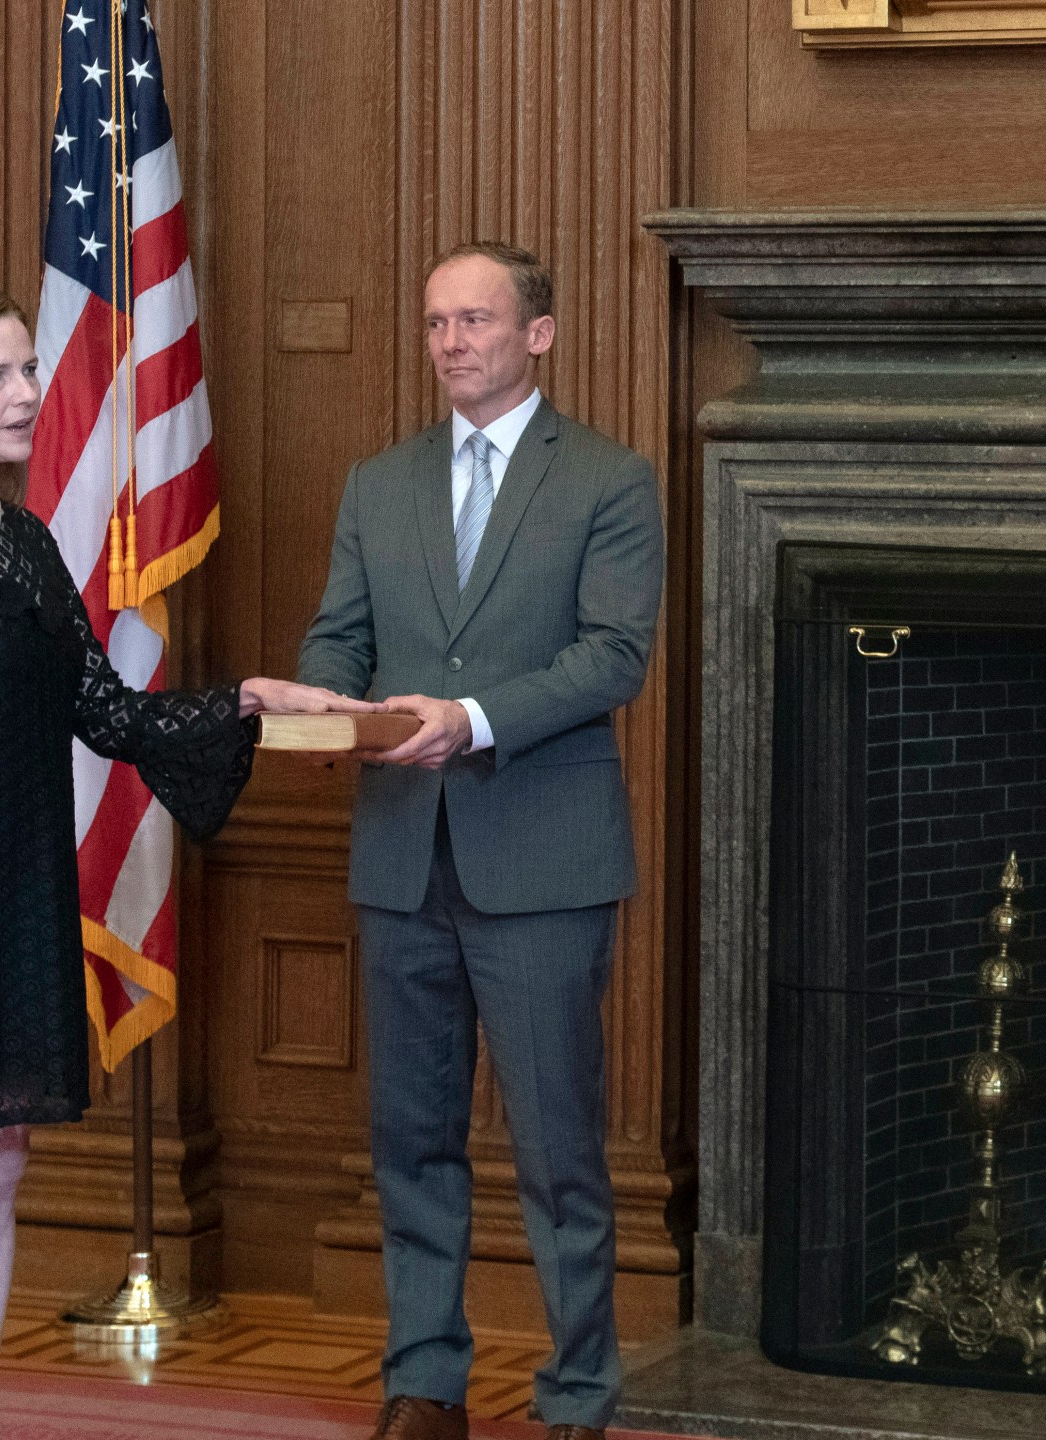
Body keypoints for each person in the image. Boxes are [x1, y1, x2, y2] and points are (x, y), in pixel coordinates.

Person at [0, 281, 374, 1440]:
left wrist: (241, 702)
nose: (29, 392)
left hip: (19, 872)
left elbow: (103, 707)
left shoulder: (29, 539)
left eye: (29, 368)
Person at [297, 242, 663, 1440]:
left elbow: (613, 656)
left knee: (560, 1152)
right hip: (403, 856)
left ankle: (577, 1396)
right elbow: (337, 642)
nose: (452, 342)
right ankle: (425, 1384)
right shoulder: (378, 483)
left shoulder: (609, 479)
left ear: (538, 336)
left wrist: (473, 721)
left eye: (477, 321)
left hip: (543, 862)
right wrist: (318, 702)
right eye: (437, 322)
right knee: (409, 1139)